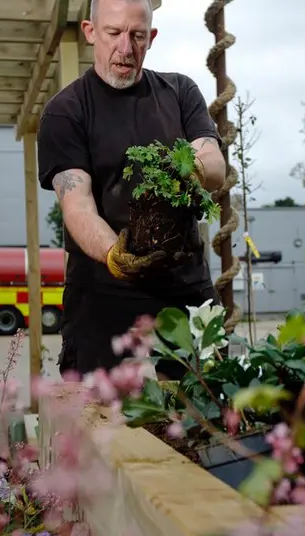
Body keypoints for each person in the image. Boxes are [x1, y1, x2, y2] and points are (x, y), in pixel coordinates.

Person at [37, 0, 227, 379]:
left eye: (137, 35)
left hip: (183, 284)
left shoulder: (179, 92)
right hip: (103, 293)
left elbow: (215, 165)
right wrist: (114, 255)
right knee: (99, 418)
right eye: (114, 33)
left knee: (209, 403)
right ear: (91, 32)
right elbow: (77, 204)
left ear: (151, 37)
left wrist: (187, 168)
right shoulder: (67, 110)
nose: (126, 48)